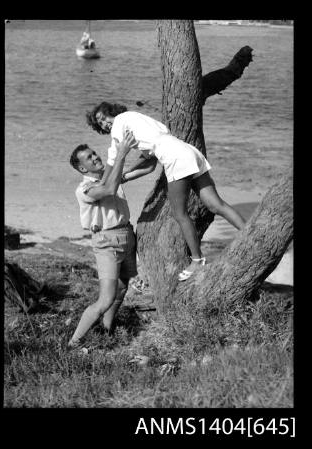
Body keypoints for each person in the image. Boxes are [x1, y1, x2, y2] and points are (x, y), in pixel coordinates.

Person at [86, 102, 246, 281]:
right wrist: (127, 174)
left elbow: (112, 159)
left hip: (176, 159)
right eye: (99, 124)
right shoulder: (138, 121)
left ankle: (197, 260)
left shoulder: (119, 123)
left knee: (180, 214)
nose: (104, 123)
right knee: (216, 205)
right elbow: (149, 163)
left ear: (112, 112)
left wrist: (102, 181)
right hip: (189, 152)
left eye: (104, 118)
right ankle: (249, 233)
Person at [68, 130, 138, 349]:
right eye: (89, 158)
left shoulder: (109, 176)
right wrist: (120, 155)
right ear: (82, 168)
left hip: (126, 235)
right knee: (105, 299)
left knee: (122, 288)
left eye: (95, 153)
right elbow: (108, 189)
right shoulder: (84, 188)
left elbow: (144, 169)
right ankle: (72, 343)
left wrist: (153, 150)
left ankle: (107, 330)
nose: (96, 157)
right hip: (107, 242)